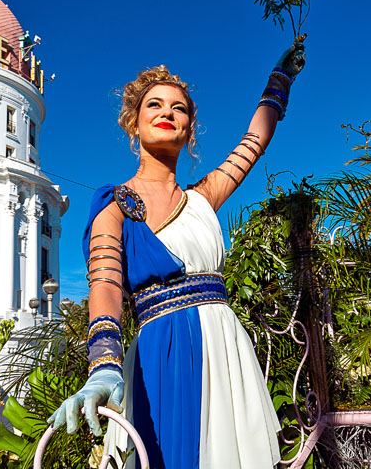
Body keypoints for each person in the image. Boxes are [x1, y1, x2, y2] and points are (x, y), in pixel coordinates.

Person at [49, 44, 305, 468]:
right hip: (159, 354)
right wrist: (104, 366)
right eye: (154, 104)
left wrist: (280, 80)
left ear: (189, 129)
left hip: (225, 348)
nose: (167, 112)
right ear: (134, 122)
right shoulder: (114, 206)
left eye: (179, 108)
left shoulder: (203, 198)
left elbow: (254, 142)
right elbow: (107, 284)